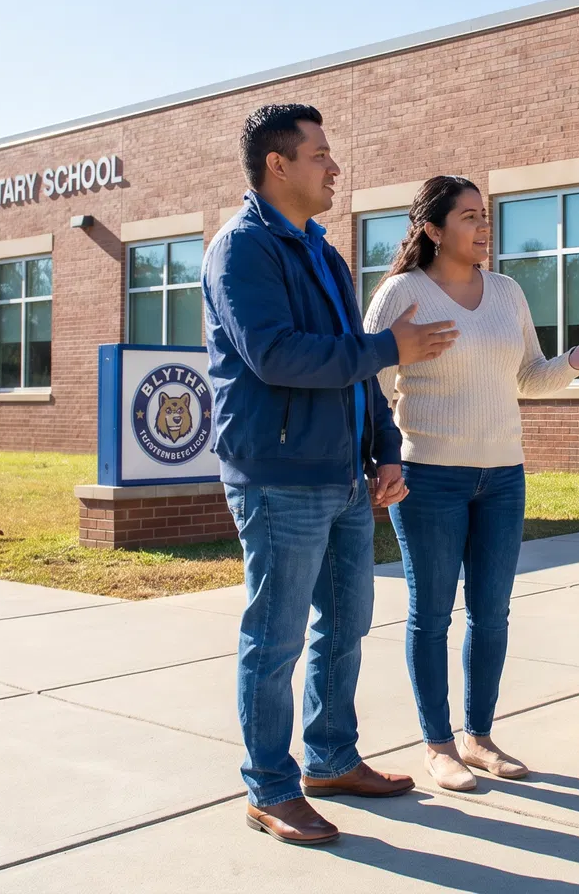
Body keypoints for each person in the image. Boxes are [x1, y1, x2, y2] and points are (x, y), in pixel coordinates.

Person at [203, 104, 460, 846]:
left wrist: (384, 449)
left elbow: (356, 364)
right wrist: (390, 346)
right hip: (278, 476)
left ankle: (330, 759)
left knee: (345, 625)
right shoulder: (241, 250)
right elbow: (276, 355)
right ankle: (271, 788)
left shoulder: (322, 251)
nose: (335, 167)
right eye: (320, 155)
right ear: (277, 165)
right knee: (275, 638)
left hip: (345, 475)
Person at [363, 175, 579, 792]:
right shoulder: (402, 294)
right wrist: (382, 457)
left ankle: (479, 737)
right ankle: (438, 745)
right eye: (471, 217)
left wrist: (574, 364)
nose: (485, 227)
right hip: (428, 476)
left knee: (492, 612)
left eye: (486, 215)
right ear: (432, 230)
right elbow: (366, 380)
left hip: (503, 476)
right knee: (430, 615)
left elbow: (528, 376)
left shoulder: (507, 293)